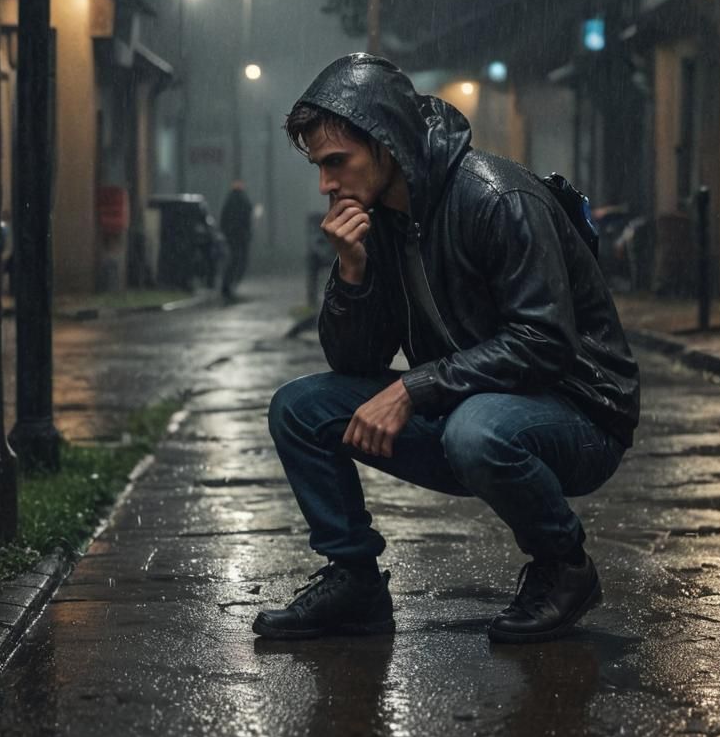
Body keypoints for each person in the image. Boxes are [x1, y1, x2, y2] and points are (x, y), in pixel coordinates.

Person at [253, 54, 639, 643]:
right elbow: (354, 365)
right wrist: (352, 274)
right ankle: (354, 582)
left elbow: (545, 342)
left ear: (385, 144)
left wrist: (415, 387)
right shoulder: (378, 219)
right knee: (300, 409)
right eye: (318, 167)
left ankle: (565, 567)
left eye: (337, 162)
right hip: (469, 409)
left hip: (578, 416)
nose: (327, 184)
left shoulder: (495, 197)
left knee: (475, 430)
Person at [219, 180, 253, 300]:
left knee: (233, 261)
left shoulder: (230, 200)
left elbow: (223, 219)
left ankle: (227, 286)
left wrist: (225, 233)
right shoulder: (244, 200)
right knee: (239, 262)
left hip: (232, 236)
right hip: (240, 237)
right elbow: (247, 220)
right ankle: (230, 286)